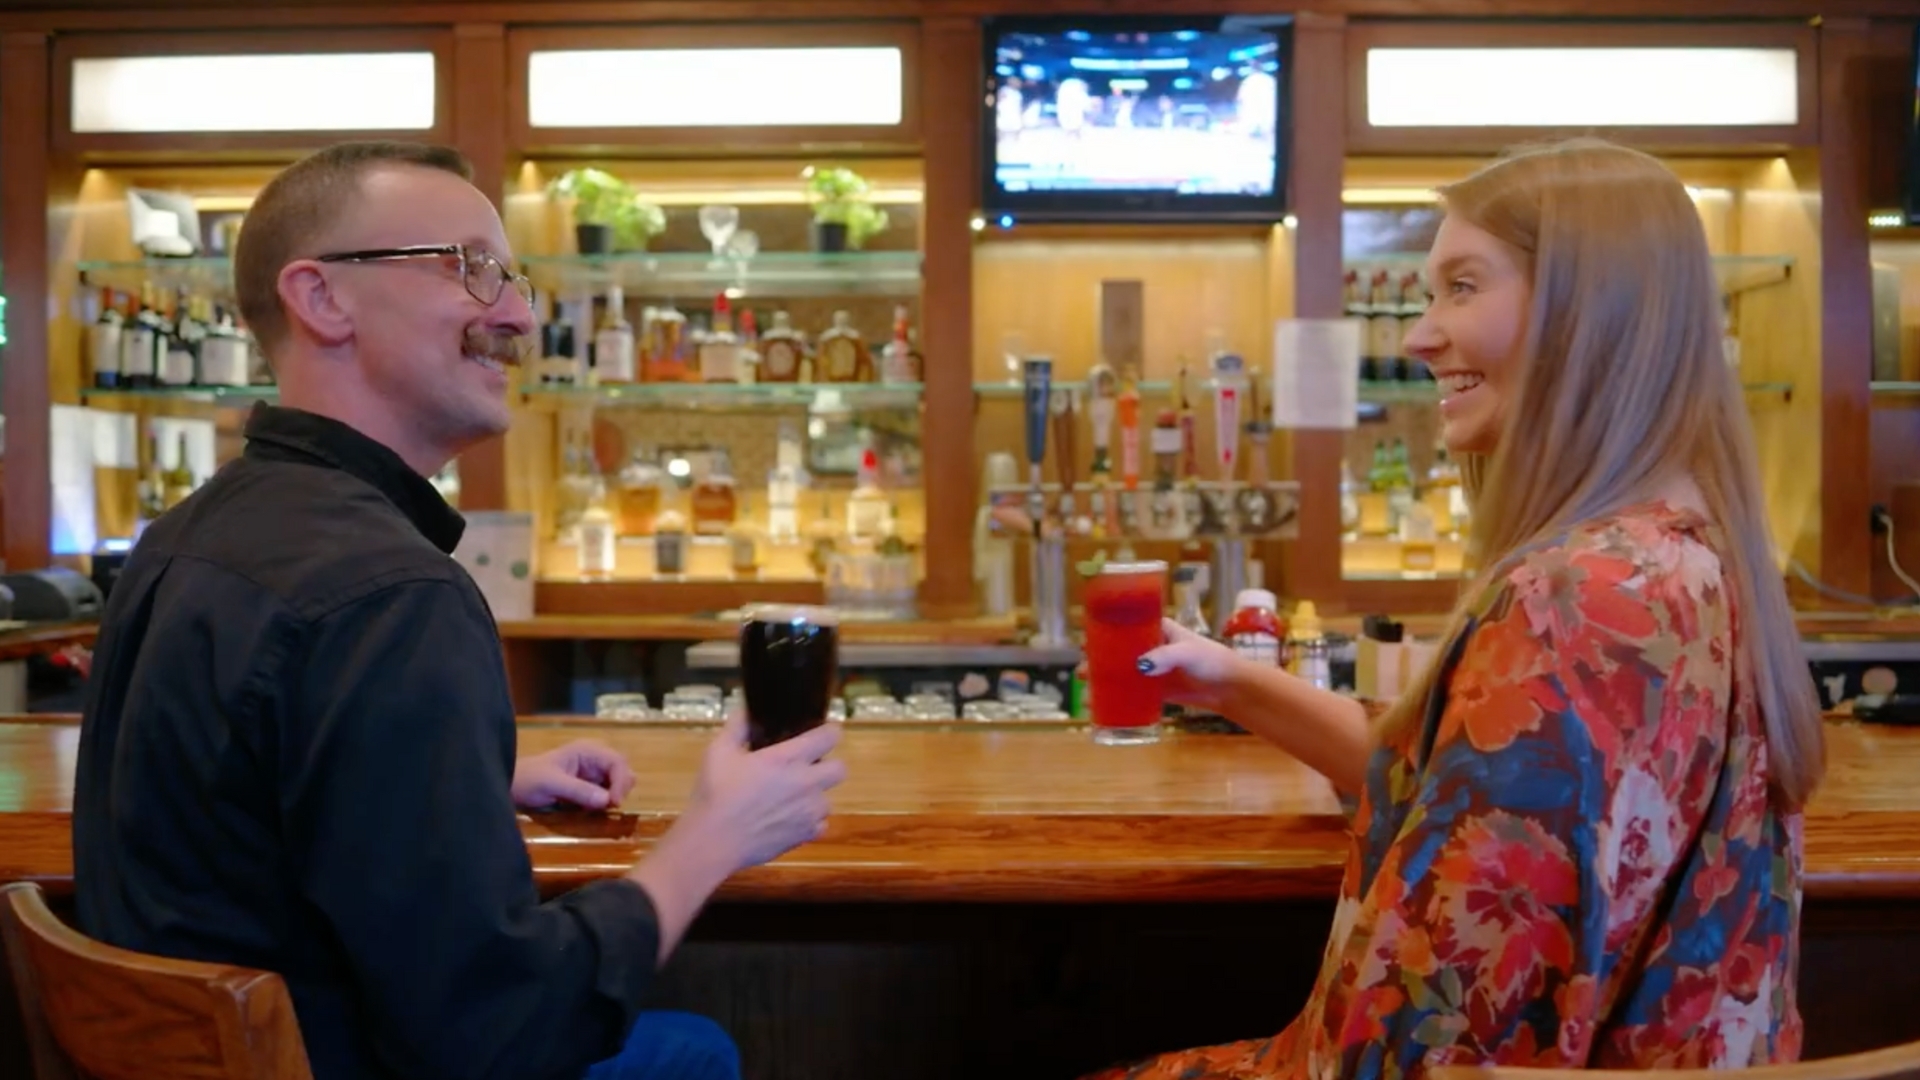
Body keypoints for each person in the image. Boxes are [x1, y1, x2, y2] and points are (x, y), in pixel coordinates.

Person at [72, 141, 847, 1080]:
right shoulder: (390, 594)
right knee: (693, 1053)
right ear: (321, 298)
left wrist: (454, 772)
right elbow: (500, 1031)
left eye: (513, 277)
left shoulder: (183, 536)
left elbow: (218, 795)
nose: (518, 314)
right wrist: (716, 835)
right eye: (470, 268)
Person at [1085, 139, 1826, 1079]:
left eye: (1462, 288)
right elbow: (1447, 784)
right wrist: (1229, 680)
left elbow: (1420, 1036)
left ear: (1587, 313)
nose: (1418, 337)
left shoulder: (1575, 602)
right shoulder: (1687, 557)